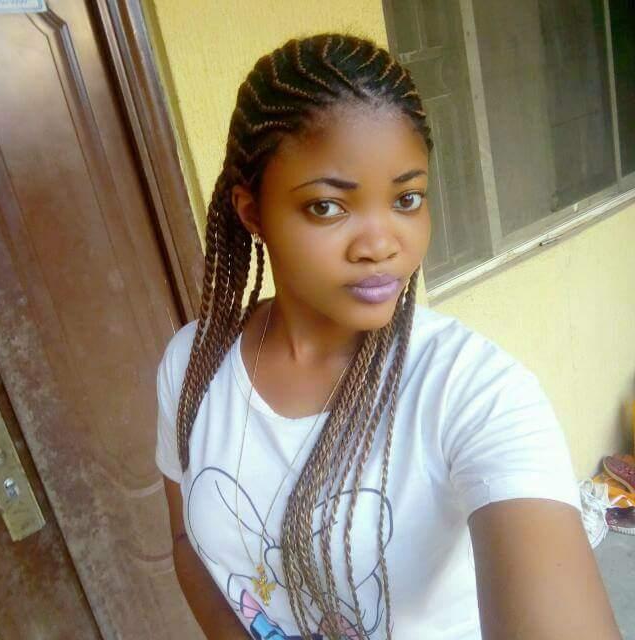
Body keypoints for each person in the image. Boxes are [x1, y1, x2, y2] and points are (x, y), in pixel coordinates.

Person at [155, 33, 622, 640]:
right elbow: (188, 544)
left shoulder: (474, 393)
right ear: (252, 213)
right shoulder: (191, 366)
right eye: (327, 206)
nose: (381, 244)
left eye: (407, 199)